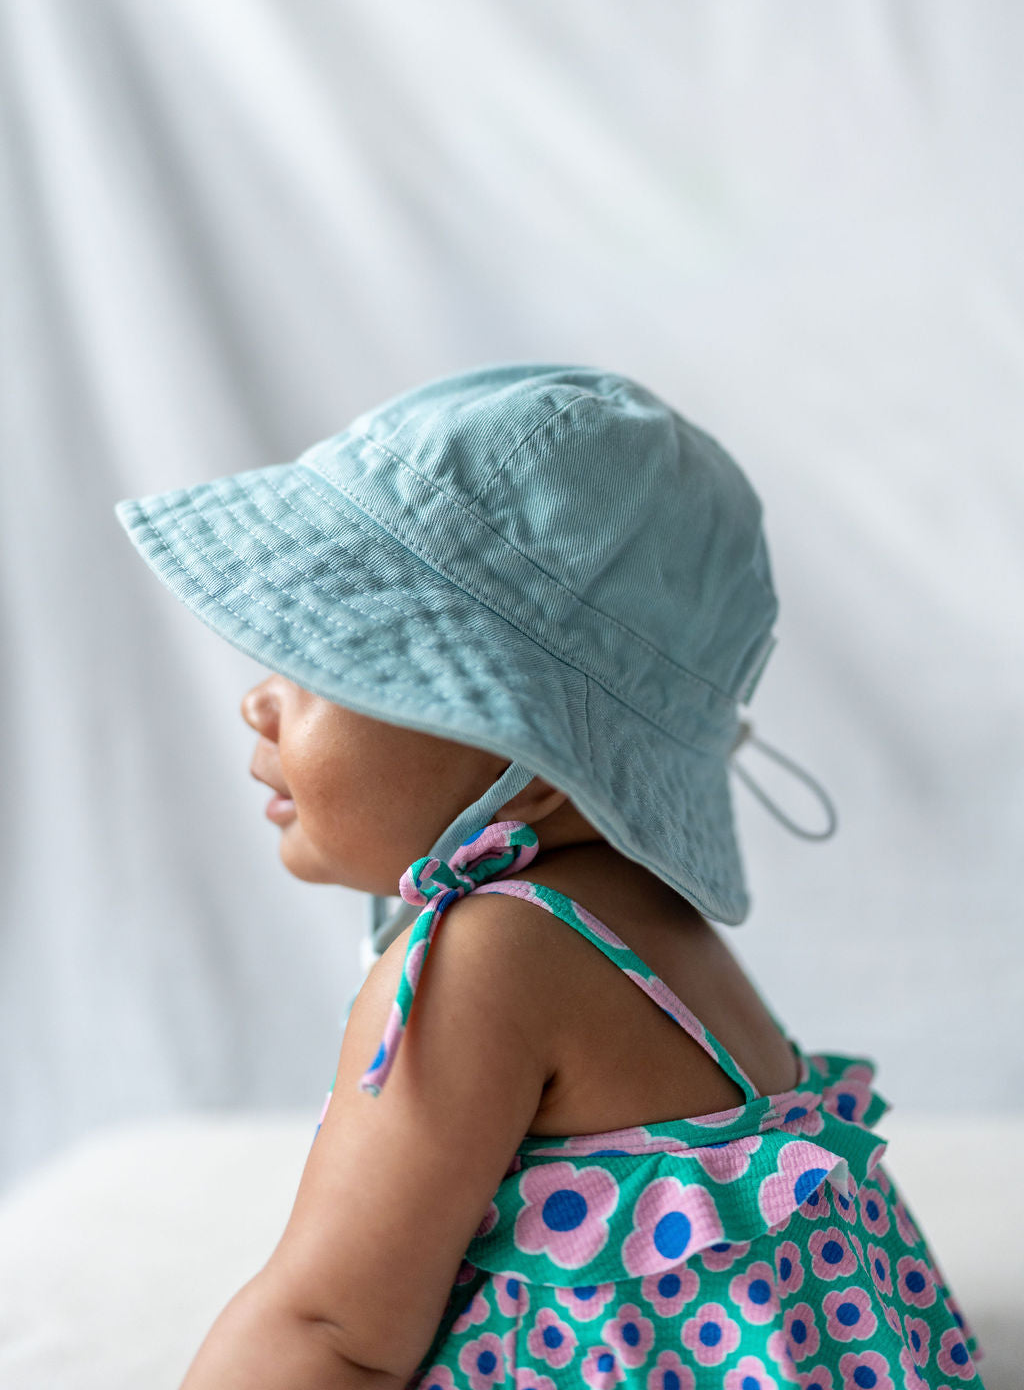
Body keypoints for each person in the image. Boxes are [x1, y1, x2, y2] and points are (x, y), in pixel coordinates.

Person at [115, 362, 985, 1390]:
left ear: (526, 758)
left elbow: (331, 1326)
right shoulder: (643, 920)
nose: (259, 703)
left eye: (324, 667)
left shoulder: (486, 951)